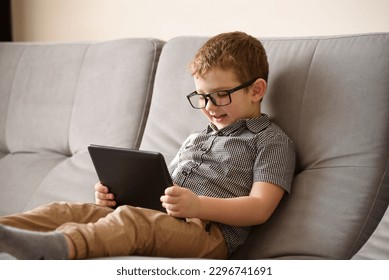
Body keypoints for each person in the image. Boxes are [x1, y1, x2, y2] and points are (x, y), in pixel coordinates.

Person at [0, 31, 295, 260]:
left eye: (220, 95)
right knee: (66, 210)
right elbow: (159, 193)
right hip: (157, 217)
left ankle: (61, 247)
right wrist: (117, 197)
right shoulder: (197, 138)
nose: (210, 107)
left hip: (208, 235)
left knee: (132, 222)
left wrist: (198, 205)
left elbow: (259, 208)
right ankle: (8, 231)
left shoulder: (271, 141)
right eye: (202, 97)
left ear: (256, 90)